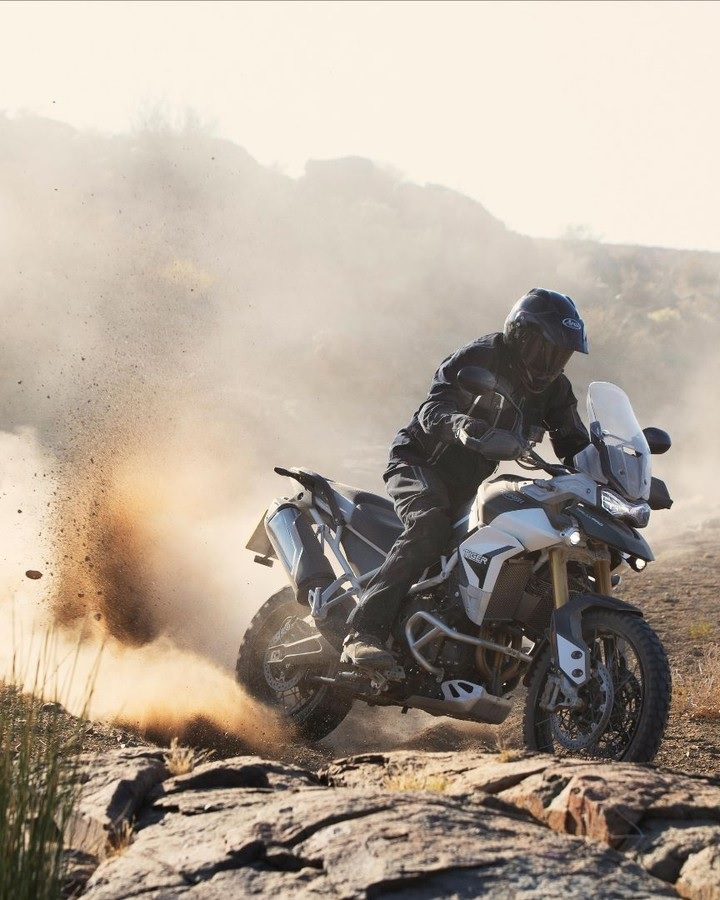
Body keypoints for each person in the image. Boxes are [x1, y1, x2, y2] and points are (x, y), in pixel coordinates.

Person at [341, 287, 591, 668]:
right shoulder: (482, 357)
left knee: (509, 541)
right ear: (522, 336)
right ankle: (363, 632)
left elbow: (574, 443)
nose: (553, 363)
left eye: (562, 355)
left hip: (470, 485)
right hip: (421, 462)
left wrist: (607, 471)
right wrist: (463, 427)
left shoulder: (555, 388)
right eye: (547, 350)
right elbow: (434, 408)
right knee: (429, 525)